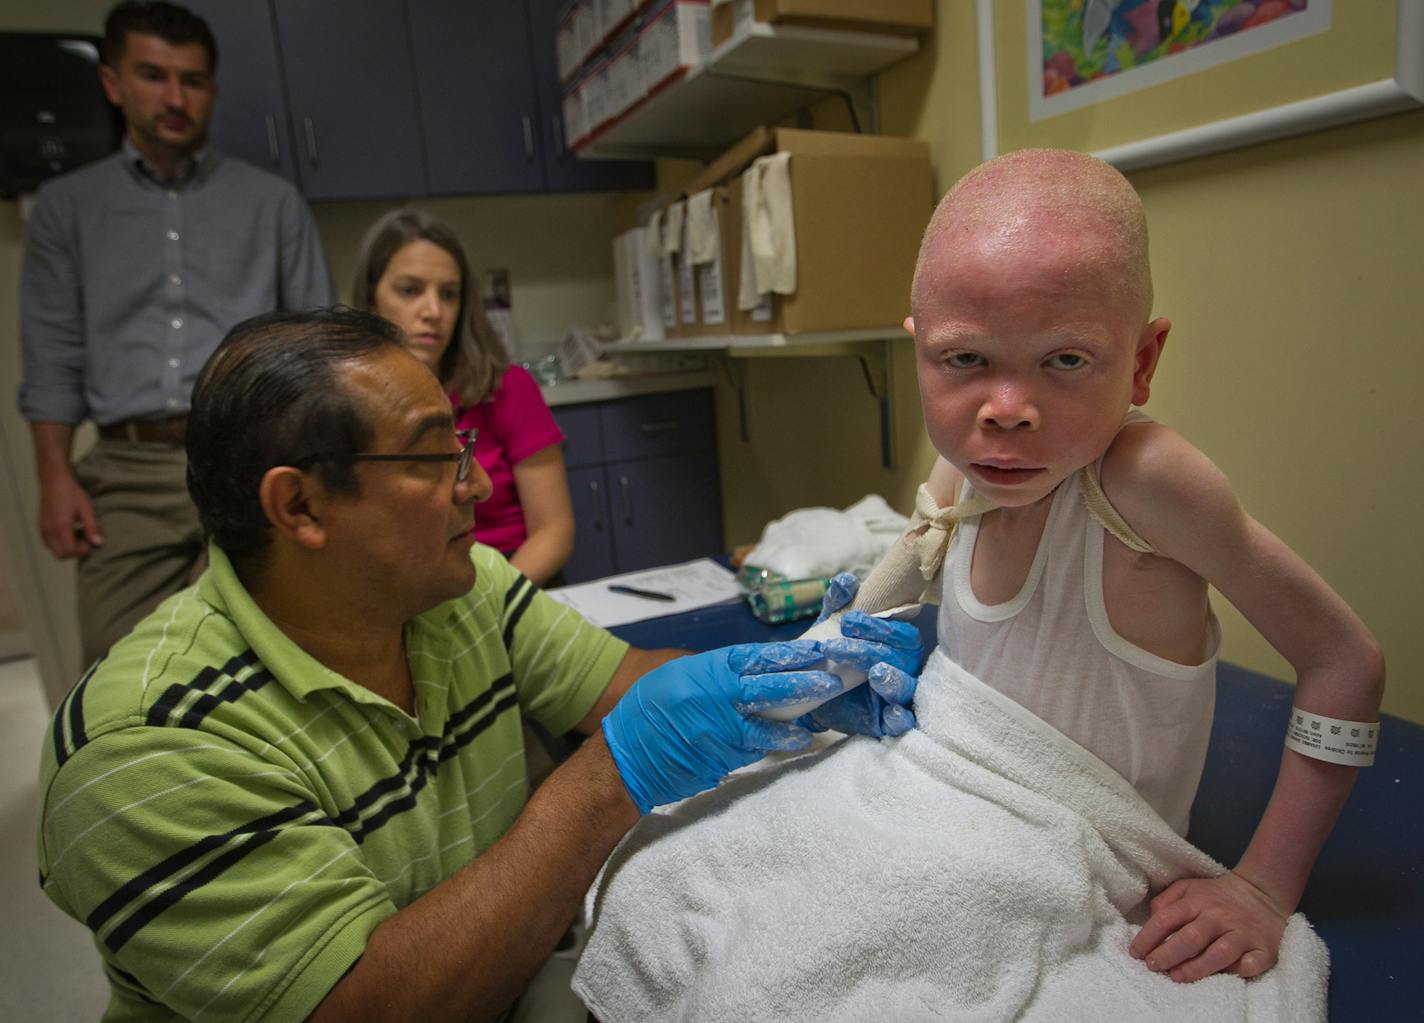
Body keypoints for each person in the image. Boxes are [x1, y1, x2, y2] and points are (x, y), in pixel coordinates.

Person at [568, 148, 1386, 1015]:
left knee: (789, 983)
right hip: (938, 771)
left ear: (1142, 363)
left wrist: (1263, 888)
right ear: (919, 352)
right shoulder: (968, 467)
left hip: (1072, 833)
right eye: (965, 360)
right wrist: (781, 691)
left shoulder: (1147, 485)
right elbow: (898, 576)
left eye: (1065, 360)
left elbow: (1346, 661)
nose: (1006, 407)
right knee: (666, 861)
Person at [35, 307, 922, 1021]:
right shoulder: (142, 753)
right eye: (434, 456)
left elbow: (630, 683)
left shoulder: (458, 591)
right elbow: (363, 1002)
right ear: (299, 504)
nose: (482, 486)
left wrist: (796, 665)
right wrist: (611, 773)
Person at [18, 1, 336, 665]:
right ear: (113, 83)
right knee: (119, 666)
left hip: (250, 459)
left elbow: (316, 354)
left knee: (267, 658)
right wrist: (54, 479)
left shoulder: (272, 203)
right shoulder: (66, 210)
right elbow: (52, 354)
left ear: (211, 91)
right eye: (153, 75)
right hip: (127, 471)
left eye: (191, 80)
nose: (174, 97)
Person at [352, 207, 573, 586]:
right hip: (411, 594)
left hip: (513, 583)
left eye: (449, 294)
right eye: (410, 290)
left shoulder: (507, 388)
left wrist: (497, 607)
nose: (434, 311)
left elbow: (554, 530)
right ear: (372, 298)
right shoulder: (348, 402)